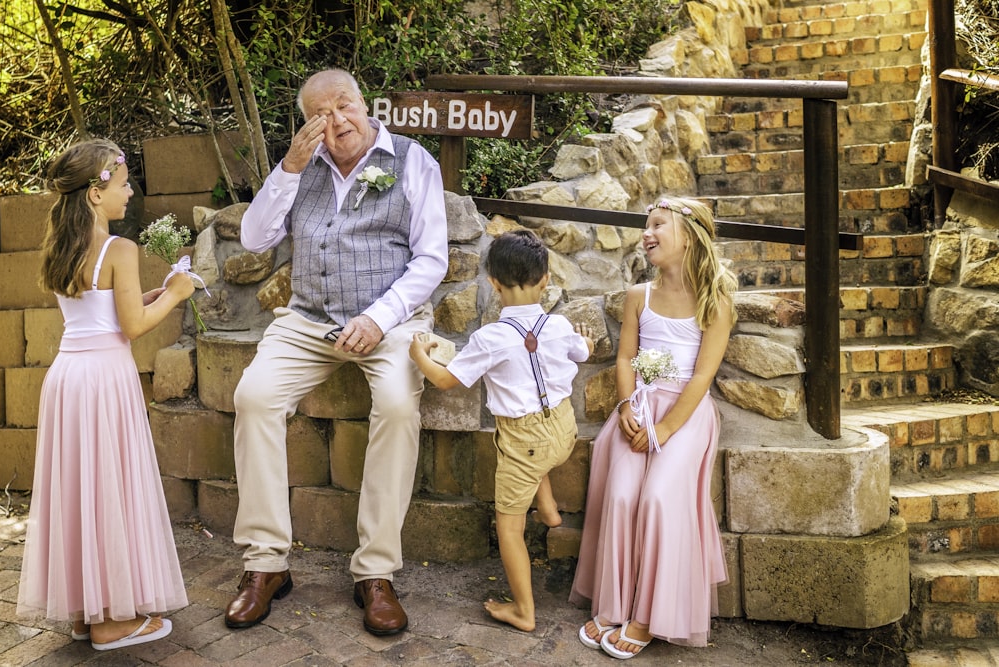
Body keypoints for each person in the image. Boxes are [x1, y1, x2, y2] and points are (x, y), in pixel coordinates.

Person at [225, 68, 448, 636]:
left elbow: (430, 260)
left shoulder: (412, 161)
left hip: (388, 323)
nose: (336, 122)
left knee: (398, 406)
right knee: (253, 396)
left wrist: (378, 319)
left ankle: (375, 573)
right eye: (320, 115)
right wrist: (289, 169)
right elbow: (255, 239)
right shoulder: (299, 168)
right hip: (308, 319)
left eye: (343, 106)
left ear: (365, 104)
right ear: (307, 124)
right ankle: (266, 564)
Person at [17, 139, 193, 650]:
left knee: (80, 491)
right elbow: (132, 328)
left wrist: (148, 295)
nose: (130, 191)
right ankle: (112, 622)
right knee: (108, 489)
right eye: (122, 184)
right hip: (105, 381)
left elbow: (99, 313)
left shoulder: (61, 245)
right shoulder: (119, 249)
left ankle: (84, 609)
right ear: (95, 194)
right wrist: (177, 294)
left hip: (69, 378)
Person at [569, 197, 737, 659]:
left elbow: (702, 378)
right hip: (640, 408)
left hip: (684, 415)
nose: (647, 234)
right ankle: (614, 603)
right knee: (623, 495)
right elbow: (626, 357)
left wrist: (664, 429)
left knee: (660, 497)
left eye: (657, 225)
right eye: (647, 226)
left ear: (688, 236)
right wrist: (627, 406)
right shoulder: (637, 296)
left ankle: (647, 615)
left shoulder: (714, 302)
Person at [410, 229, 594, 632]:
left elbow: (445, 381)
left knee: (507, 527)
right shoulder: (561, 326)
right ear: (546, 280)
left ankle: (524, 611)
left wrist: (419, 356)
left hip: (523, 444)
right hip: (563, 432)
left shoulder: (490, 338)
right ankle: (548, 511)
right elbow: (583, 352)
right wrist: (587, 345)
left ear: (493, 283)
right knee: (540, 456)